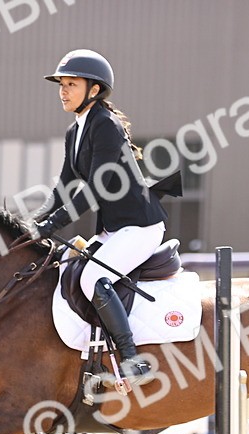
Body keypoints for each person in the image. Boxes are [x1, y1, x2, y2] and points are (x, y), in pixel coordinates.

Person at [29, 49, 175, 388]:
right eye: (61, 84)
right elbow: (65, 186)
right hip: (115, 228)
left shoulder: (105, 126)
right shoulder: (75, 130)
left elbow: (97, 187)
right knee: (68, 269)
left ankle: (132, 360)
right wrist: (31, 222)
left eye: (71, 84)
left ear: (93, 90)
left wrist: (56, 223)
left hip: (140, 227)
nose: (63, 91)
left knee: (92, 277)